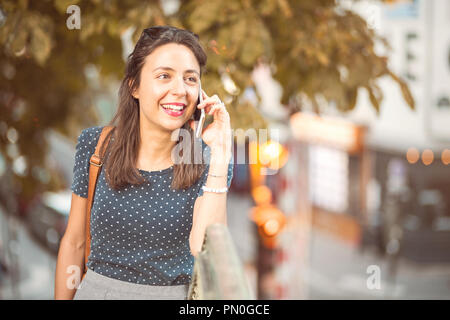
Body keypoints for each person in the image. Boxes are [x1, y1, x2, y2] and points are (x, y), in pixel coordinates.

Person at [54, 26, 233, 300]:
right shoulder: (96, 145)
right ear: (134, 86)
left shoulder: (208, 161)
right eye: (164, 76)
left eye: (190, 79)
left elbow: (204, 248)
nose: (180, 90)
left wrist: (220, 153)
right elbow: (74, 241)